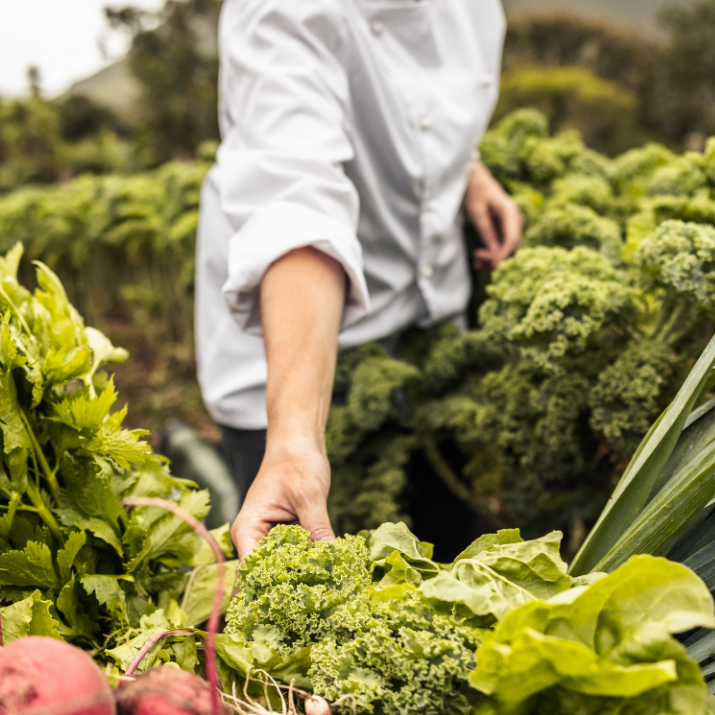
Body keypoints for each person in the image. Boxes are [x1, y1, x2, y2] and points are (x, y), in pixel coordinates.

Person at [195, 0, 523, 557]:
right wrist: (296, 438)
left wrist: (464, 168)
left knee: (452, 544)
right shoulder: (277, 11)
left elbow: (416, 101)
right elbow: (297, 203)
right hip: (290, 348)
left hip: (425, 323)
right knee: (322, 598)